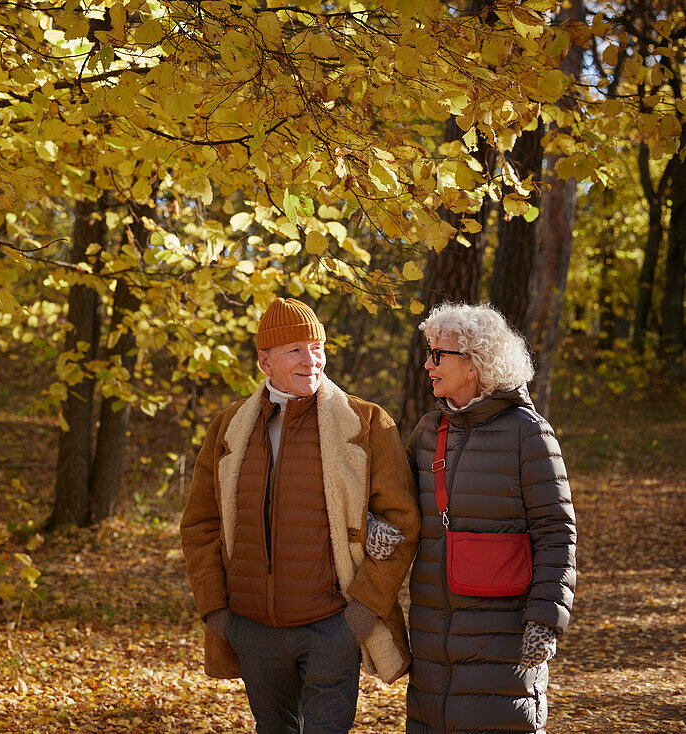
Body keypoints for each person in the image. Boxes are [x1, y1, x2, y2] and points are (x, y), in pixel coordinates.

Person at [179, 297, 421, 734]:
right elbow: (200, 526)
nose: (311, 360)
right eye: (294, 350)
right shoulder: (228, 427)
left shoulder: (367, 423)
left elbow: (401, 525)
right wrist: (218, 612)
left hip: (333, 625)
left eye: (317, 348)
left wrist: (361, 615)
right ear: (264, 362)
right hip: (252, 629)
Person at [404, 303, 577, 734]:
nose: (428, 364)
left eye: (439, 355)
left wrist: (545, 621)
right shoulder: (428, 431)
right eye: (429, 352)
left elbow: (556, 531)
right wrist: (378, 526)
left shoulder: (529, 432)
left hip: (504, 633)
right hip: (431, 632)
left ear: (475, 363)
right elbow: (397, 505)